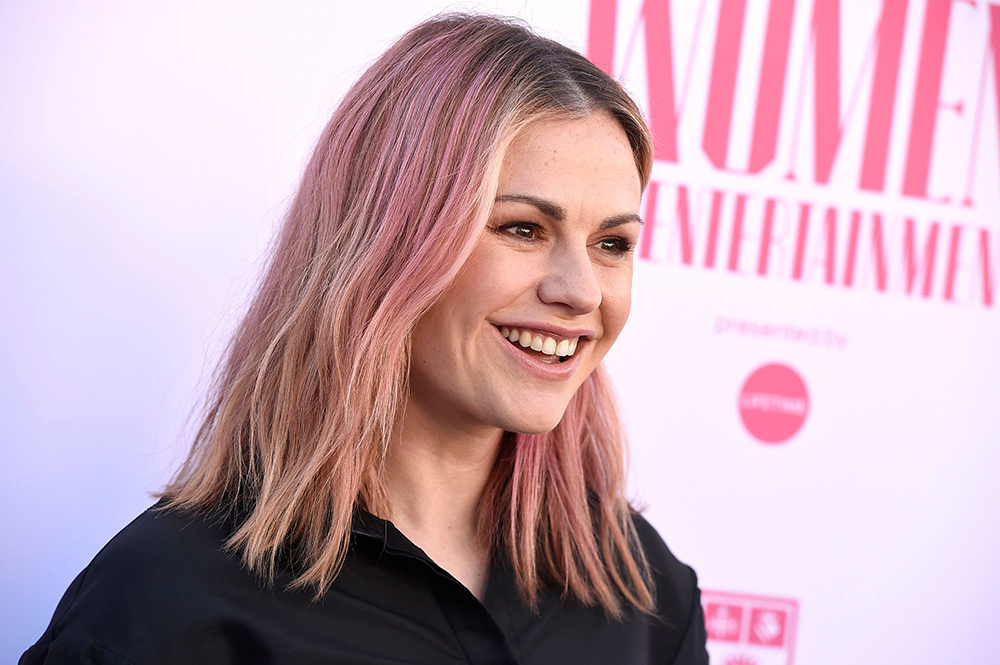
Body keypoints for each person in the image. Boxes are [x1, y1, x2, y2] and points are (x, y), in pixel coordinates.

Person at [22, 13, 708, 665]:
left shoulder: (644, 594)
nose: (582, 290)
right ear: (387, 242)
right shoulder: (165, 605)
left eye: (612, 243)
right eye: (523, 228)